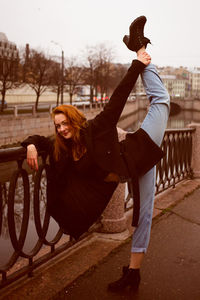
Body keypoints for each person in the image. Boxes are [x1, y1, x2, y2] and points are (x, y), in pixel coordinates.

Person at [22, 16, 169, 292]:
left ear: (75, 121)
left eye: (65, 123)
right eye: (58, 126)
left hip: (137, 152)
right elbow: (40, 141)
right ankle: (133, 274)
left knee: (161, 101)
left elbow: (119, 97)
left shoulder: (96, 128)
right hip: (126, 174)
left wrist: (138, 63)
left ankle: (139, 48)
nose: (62, 129)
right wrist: (30, 144)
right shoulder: (64, 147)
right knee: (144, 215)